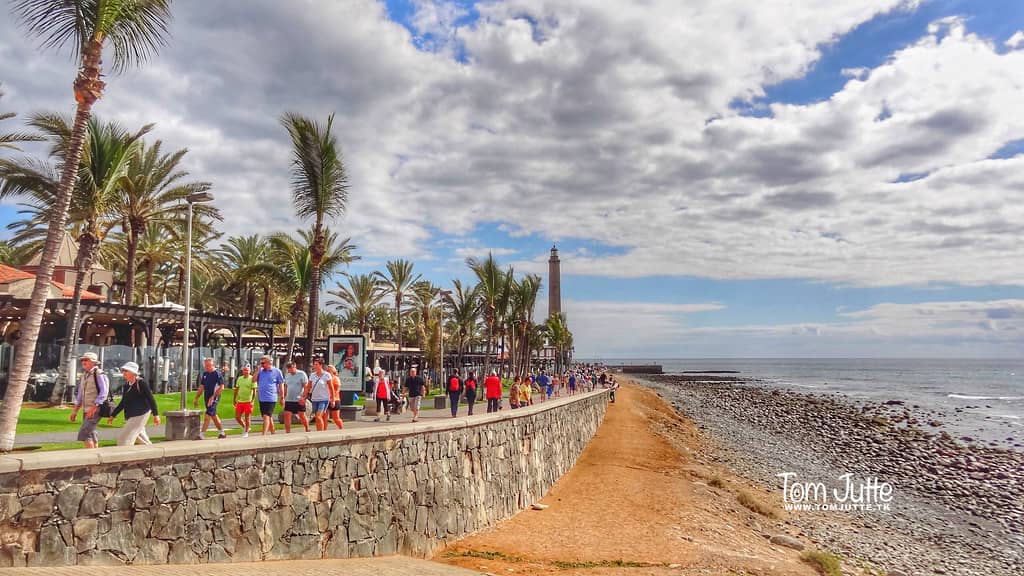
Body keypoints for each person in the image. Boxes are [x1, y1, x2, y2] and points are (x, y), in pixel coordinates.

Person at [108, 361, 160, 446]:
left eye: (126, 371)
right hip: (130, 415)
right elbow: (123, 402)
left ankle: (125, 457)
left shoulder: (141, 383)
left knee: (124, 439)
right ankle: (154, 454)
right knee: (142, 439)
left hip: (140, 414)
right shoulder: (126, 385)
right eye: (123, 371)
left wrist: (156, 415)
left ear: (133, 372)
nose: (124, 373)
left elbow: (151, 399)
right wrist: (113, 415)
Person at [70, 352, 109, 449]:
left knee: (84, 433)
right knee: (91, 432)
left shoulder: (99, 374)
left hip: (95, 409)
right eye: (82, 360)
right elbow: (80, 395)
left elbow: (104, 392)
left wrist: (94, 407)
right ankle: (96, 453)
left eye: (86, 360)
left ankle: (91, 455)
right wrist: (75, 411)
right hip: (86, 409)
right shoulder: (84, 375)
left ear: (93, 362)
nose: (83, 362)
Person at [192, 357, 227, 439]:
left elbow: (221, 387)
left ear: (213, 365)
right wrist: (196, 398)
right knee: (213, 415)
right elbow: (201, 387)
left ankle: (201, 434)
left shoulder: (217, 373)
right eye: (206, 365)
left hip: (214, 397)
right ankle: (222, 433)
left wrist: (213, 397)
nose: (207, 367)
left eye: (209, 365)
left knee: (208, 414)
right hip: (207, 397)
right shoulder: (205, 374)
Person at [256, 355, 286, 435]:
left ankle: (264, 434)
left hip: (271, 397)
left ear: (269, 362)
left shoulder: (277, 371)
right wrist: (258, 370)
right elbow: (253, 380)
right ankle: (273, 432)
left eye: (263, 363)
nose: (262, 364)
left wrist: (282, 397)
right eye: (261, 363)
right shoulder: (261, 371)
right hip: (262, 397)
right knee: (268, 416)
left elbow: (281, 384)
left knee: (266, 416)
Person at [282, 361, 311, 432]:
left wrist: (304, 397)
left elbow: (306, 387)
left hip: (298, 399)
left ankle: (307, 428)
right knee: (287, 415)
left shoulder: (302, 374)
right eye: (288, 369)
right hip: (289, 399)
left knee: (302, 415)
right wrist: (283, 397)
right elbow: (286, 386)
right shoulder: (287, 375)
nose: (289, 370)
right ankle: (288, 431)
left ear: (295, 367)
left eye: (291, 368)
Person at [308, 358, 332, 431]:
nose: (314, 366)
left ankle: (321, 433)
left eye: (316, 364)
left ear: (321, 365)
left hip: (324, 399)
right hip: (314, 399)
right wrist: (304, 396)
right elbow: (308, 386)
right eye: (314, 364)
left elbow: (331, 388)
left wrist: (333, 399)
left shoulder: (327, 375)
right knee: (317, 417)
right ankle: (319, 431)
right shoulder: (312, 375)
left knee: (318, 416)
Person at [233, 364, 256, 437]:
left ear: (250, 371)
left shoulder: (252, 379)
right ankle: (245, 427)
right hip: (240, 401)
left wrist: (252, 400)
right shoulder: (239, 379)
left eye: (247, 370)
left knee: (247, 417)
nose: (245, 371)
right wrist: (234, 399)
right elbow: (237, 389)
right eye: (244, 370)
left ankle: (246, 432)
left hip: (248, 401)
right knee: (237, 417)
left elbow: (254, 391)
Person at [325, 364, 344, 430]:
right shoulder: (325, 378)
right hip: (325, 399)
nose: (328, 371)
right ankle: (323, 431)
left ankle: (341, 429)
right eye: (327, 370)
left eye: (330, 370)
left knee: (336, 418)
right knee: (324, 417)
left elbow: (337, 390)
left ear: (333, 371)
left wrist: (332, 398)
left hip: (335, 399)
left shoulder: (336, 379)